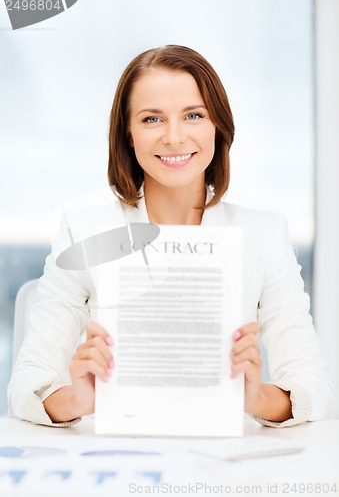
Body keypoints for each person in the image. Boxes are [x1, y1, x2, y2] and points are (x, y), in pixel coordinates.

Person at [8, 45, 334, 428]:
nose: (174, 137)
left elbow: (315, 390)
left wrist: (256, 396)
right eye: (152, 120)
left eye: (194, 115)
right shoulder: (83, 230)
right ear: (128, 134)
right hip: (114, 454)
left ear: (218, 127)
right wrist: (80, 399)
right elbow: (25, 386)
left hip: (222, 460)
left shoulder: (263, 234)